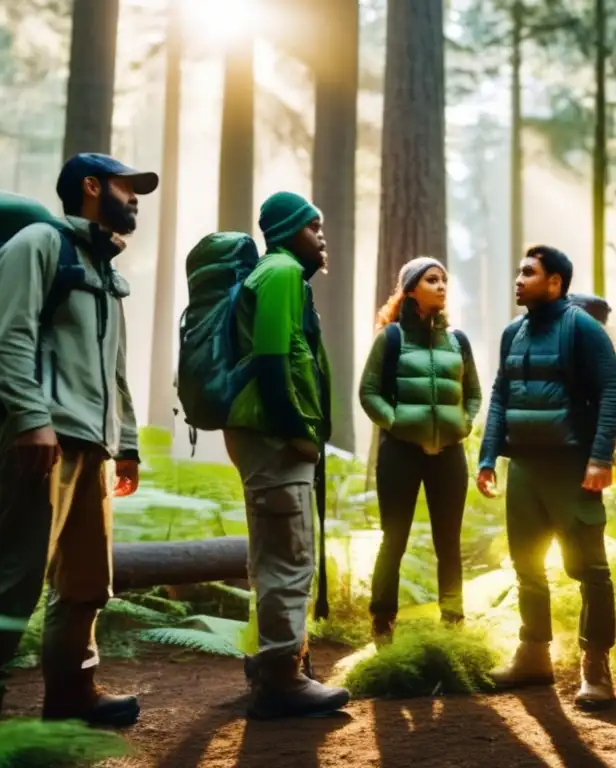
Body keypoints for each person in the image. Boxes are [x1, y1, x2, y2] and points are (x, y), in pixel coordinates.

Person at [0, 153, 155, 727]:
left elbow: (115, 368)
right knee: (13, 578)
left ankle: (71, 696)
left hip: (93, 442)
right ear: (90, 187)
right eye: (125, 186)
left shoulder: (104, 265)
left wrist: (126, 441)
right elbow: (5, 335)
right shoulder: (38, 244)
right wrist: (31, 417)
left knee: (86, 581)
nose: (135, 198)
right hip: (41, 435)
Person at [477, 245, 616, 711]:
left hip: (571, 468)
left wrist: (601, 458)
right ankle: (533, 655)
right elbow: (501, 393)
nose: (518, 280)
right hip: (522, 467)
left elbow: (612, 388)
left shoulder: (581, 327)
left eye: (529, 273)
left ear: (555, 282)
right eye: (519, 271)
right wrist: (487, 456)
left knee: (590, 570)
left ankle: (596, 666)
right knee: (526, 566)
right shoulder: (512, 333)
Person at [221, 191, 350, 718]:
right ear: (288, 230)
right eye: (312, 226)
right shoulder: (278, 274)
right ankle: (280, 678)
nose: (321, 236)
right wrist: (297, 430)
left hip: (271, 436)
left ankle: (276, 661)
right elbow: (272, 363)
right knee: (289, 556)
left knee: (277, 551)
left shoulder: (281, 277)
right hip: (275, 437)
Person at [358, 257, 482, 643]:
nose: (442, 286)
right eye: (432, 280)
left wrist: (462, 425)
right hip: (400, 453)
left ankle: (453, 620)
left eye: (444, 279)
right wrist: (397, 424)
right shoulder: (391, 338)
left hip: (449, 455)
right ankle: (382, 621)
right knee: (393, 538)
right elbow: (369, 392)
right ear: (411, 289)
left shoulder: (458, 341)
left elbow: (474, 394)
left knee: (449, 540)